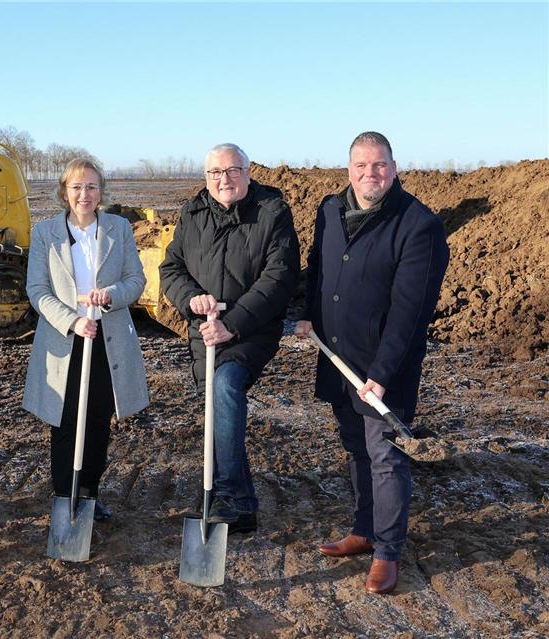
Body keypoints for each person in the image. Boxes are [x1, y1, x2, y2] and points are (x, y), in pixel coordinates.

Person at [295, 131, 449, 594]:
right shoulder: (330, 209)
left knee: (385, 457)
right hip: (338, 357)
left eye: (379, 165)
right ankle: (364, 531)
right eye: (361, 166)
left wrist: (381, 374)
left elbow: (411, 312)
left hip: (385, 368)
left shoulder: (418, 224)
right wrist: (307, 313)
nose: (370, 174)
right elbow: (318, 267)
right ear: (349, 170)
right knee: (355, 447)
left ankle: (387, 551)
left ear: (394, 168)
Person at [160, 143, 299, 533]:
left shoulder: (272, 212)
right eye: (216, 173)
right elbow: (171, 268)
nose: (224, 179)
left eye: (233, 170)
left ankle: (230, 496)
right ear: (206, 177)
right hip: (205, 331)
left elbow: (279, 278)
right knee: (218, 407)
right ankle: (235, 498)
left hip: (251, 330)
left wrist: (233, 324)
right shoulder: (192, 213)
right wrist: (191, 298)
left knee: (225, 387)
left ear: (248, 173)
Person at [23, 158, 149, 521]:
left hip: (107, 341)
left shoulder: (118, 229)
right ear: (64, 191)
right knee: (65, 421)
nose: (84, 194)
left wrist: (110, 296)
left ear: (101, 192)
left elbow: (135, 280)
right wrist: (73, 321)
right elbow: (37, 289)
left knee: (97, 420)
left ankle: (89, 495)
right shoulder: (45, 233)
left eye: (92, 187)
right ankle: (65, 496)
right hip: (65, 340)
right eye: (77, 187)